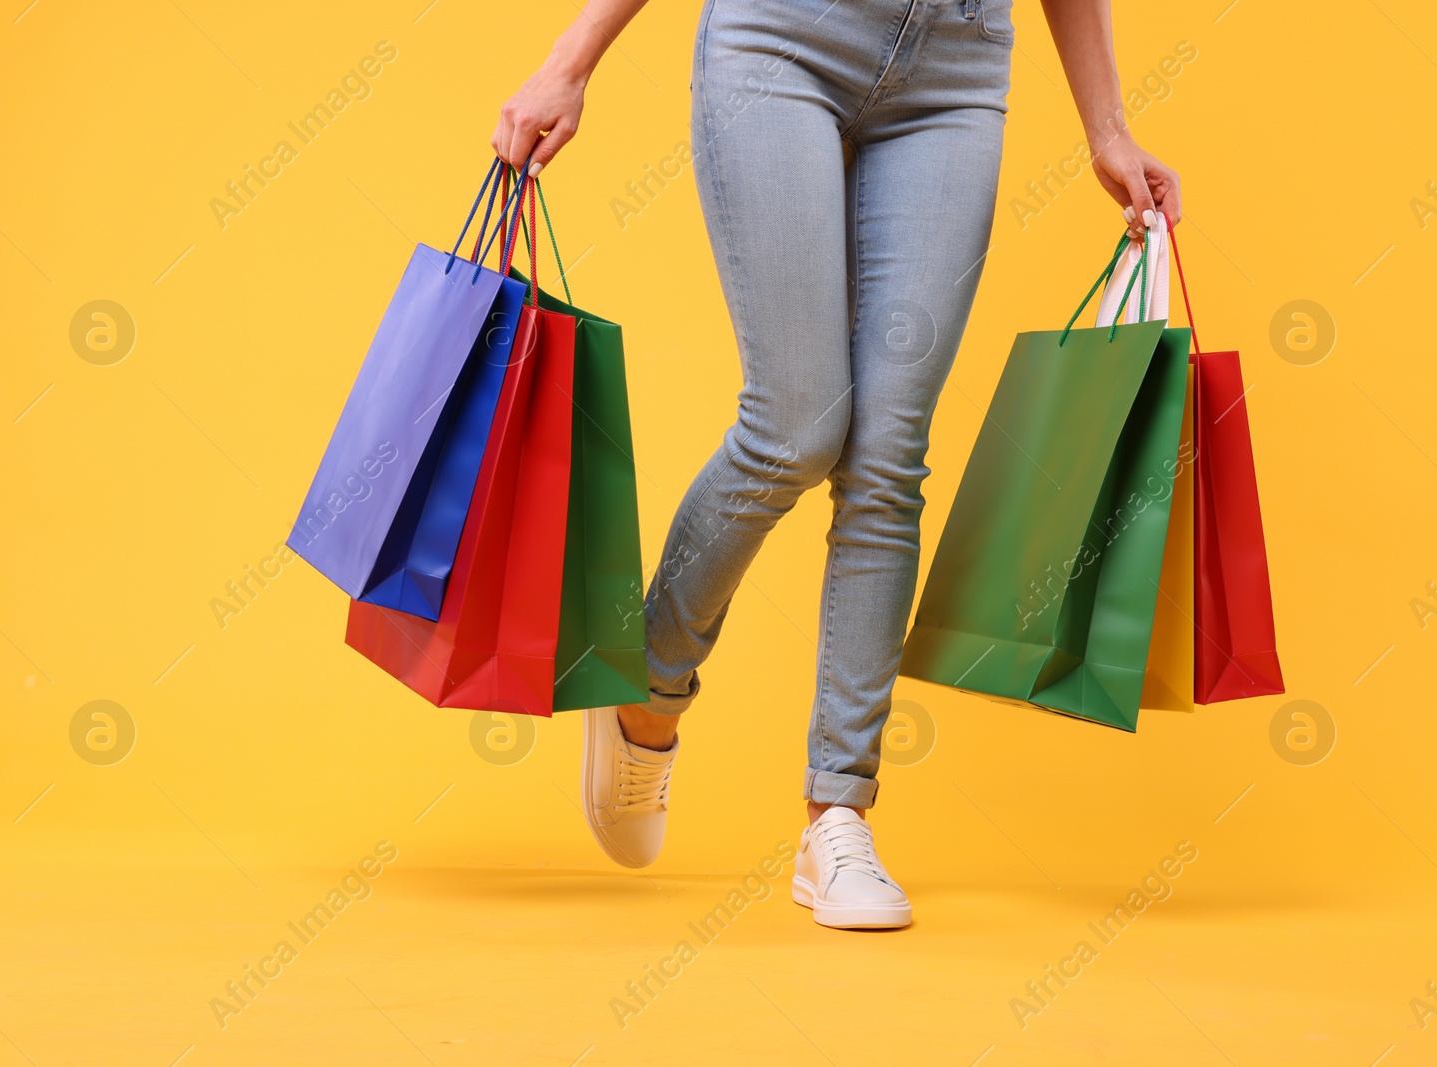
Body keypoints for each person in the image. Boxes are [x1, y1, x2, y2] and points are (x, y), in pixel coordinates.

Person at [493, 0, 1181, 929]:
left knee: (890, 453)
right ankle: (651, 677)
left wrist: (1107, 129)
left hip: (956, 67)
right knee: (795, 426)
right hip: (784, 34)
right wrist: (571, 59)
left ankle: (838, 815)